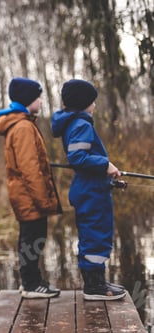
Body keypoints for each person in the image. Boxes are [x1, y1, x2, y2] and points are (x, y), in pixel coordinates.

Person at [51, 79, 126, 301]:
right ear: (84, 103)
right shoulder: (81, 124)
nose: (95, 105)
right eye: (93, 101)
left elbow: (83, 162)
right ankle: (94, 287)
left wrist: (110, 178)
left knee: (93, 236)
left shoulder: (76, 123)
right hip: (90, 192)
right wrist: (105, 164)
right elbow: (77, 157)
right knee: (95, 237)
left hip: (91, 188)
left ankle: (97, 282)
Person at [0, 77, 62, 299]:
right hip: (29, 196)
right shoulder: (23, 127)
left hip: (25, 194)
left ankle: (31, 282)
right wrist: (44, 200)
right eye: (38, 97)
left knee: (31, 238)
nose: (41, 101)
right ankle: (32, 284)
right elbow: (29, 168)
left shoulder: (22, 123)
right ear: (28, 100)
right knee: (33, 238)